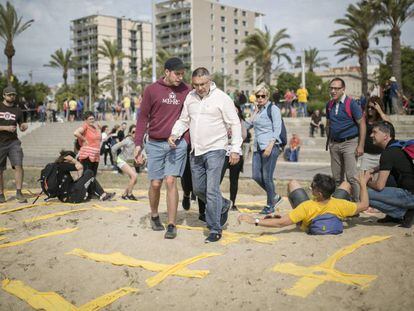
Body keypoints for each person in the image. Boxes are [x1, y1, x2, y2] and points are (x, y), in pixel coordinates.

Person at [169, 67, 242, 243]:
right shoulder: (191, 97)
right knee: (199, 189)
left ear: (209, 81)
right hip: (196, 151)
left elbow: (235, 123)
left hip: (216, 149)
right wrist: (174, 134)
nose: (199, 88)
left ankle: (215, 228)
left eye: (202, 84)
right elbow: (184, 120)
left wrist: (235, 149)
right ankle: (223, 204)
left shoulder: (222, 98)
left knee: (211, 190)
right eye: (196, 85)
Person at [134, 57, 190, 239]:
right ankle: (155, 214)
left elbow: (191, 117)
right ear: (166, 72)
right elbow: (142, 118)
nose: (180, 77)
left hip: (177, 144)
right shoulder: (151, 90)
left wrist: (186, 141)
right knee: (156, 183)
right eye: (177, 73)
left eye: (183, 74)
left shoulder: (187, 90)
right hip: (155, 143)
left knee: (171, 181)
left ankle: (172, 224)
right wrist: (137, 145)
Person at [238, 172, 370, 232]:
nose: (310, 188)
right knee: (346, 184)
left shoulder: (306, 207)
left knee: (293, 183)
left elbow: (280, 223)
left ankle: (299, 220)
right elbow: (364, 205)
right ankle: (350, 214)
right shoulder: (340, 204)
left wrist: (253, 220)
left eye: (313, 187)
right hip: (334, 210)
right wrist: (363, 184)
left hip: (308, 218)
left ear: (318, 193)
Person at [366, 121, 414, 228]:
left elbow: (379, 186)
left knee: (364, 194)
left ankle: (403, 213)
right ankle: (395, 215)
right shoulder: (397, 146)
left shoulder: (387, 153)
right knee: (389, 177)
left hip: (409, 195)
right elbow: (388, 165)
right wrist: (374, 170)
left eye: (374, 132)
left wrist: (365, 181)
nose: (371, 135)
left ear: (385, 136)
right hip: (410, 191)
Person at [326, 77, 366, 201]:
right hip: (334, 144)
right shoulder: (329, 104)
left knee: (351, 177)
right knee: (337, 178)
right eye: (331, 88)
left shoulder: (351, 104)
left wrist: (360, 145)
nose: (333, 91)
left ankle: (357, 204)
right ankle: (341, 203)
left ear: (343, 89)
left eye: (336, 88)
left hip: (350, 143)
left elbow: (362, 124)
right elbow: (328, 123)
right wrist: (330, 141)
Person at [247, 84, 283, 215]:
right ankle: (275, 196)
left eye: (263, 96)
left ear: (267, 96)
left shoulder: (273, 109)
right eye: (258, 96)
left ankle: (270, 205)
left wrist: (270, 146)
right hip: (257, 147)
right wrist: (254, 113)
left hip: (270, 146)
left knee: (267, 177)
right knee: (256, 176)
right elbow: (248, 125)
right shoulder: (258, 110)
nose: (260, 98)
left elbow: (277, 129)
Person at [0, 86, 28, 203]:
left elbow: (21, 125)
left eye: (13, 95)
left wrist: (23, 127)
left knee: (18, 165)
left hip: (14, 142)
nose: (12, 96)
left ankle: (19, 192)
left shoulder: (18, 110)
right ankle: (1, 194)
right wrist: (6, 127)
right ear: (4, 95)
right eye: (9, 94)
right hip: (0, 143)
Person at [220, 105, 247, 211]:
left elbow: (244, 136)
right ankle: (219, 201)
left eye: (236, 109)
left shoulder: (240, 122)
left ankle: (233, 202)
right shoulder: (222, 121)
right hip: (223, 152)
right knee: (217, 179)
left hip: (236, 152)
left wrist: (235, 137)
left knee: (234, 180)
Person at [360, 96, 391, 171]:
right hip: (367, 155)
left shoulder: (382, 120)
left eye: (373, 108)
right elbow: (361, 132)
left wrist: (380, 111)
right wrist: (360, 146)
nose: (370, 109)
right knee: (363, 178)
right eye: (368, 107)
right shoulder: (365, 119)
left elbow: (390, 125)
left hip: (380, 155)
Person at [111, 125, 138, 200]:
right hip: (121, 160)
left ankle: (124, 194)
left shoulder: (138, 141)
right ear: (130, 133)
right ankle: (130, 194)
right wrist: (115, 159)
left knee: (135, 180)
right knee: (134, 176)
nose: (135, 133)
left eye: (137, 131)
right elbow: (113, 148)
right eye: (133, 132)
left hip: (130, 162)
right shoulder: (127, 140)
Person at [74, 111, 102, 178]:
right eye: (90, 119)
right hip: (87, 155)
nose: (92, 120)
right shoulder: (85, 126)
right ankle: (83, 188)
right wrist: (84, 139)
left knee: (93, 176)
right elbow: (76, 133)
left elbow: (99, 139)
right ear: (86, 120)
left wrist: (100, 129)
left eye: (93, 118)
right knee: (87, 176)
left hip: (95, 155)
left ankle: (91, 188)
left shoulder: (95, 128)